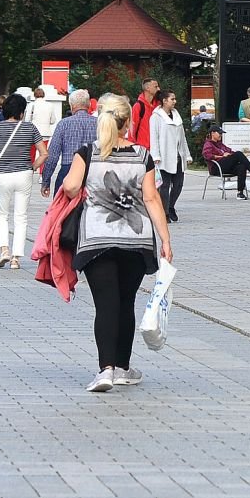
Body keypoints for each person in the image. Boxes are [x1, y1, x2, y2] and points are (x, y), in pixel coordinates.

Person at [60, 93, 173, 393]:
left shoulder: (88, 152)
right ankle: (123, 367)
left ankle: (105, 371)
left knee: (105, 305)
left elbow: (71, 186)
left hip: (97, 240)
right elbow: (152, 198)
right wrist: (165, 239)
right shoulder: (142, 155)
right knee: (125, 302)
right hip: (135, 241)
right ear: (128, 122)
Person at [0, 94, 47, 270]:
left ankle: (4, 250)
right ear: (22, 112)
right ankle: (16, 258)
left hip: (2, 175)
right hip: (24, 174)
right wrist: (32, 167)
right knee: (21, 216)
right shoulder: (30, 128)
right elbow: (44, 153)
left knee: (1, 214)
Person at [41, 90, 97, 197]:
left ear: (72, 105)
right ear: (89, 104)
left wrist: (46, 181)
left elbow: (53, 155)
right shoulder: (99, 123)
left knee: (63, 206)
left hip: (68, 170)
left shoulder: (63, 124)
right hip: (93, 171)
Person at [149, 89, 192, 222]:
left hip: (178, 156)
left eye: (174, 99)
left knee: (178, 184)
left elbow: (182, 138)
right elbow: (154, 138)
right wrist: (156, 155)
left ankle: (171, 206)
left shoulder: (177, 115)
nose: (174, 101)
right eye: (172, 99)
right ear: (164, 101)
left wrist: (187, 154)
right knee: (164, 186)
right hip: (164, 156)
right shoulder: (156, 117)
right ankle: (165, 212)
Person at [201, 126, 250, 200]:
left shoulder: (220, 144)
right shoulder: (208, 144)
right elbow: (207, 155)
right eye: (219, 133)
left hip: (225, 167)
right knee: (238, 154)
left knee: (241, 166)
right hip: (216, 167)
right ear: (212, 133)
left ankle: (240, 193)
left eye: (221, 134)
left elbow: (230, 151)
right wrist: (221, 156)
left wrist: (236, 155)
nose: (221, 135)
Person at [129, 78, 159, 149]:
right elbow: (132, 128)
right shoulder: (138, 106)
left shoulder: (158, 106)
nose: (158, 89)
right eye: (156, 87)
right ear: (147, 88)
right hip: (142, 148)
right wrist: (132, 147)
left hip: (155, 148)